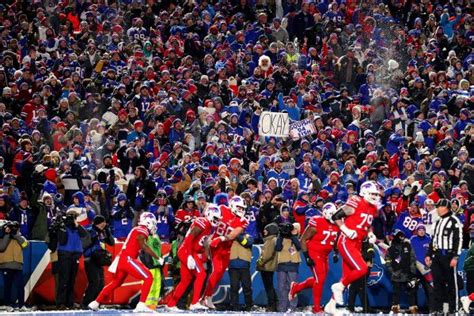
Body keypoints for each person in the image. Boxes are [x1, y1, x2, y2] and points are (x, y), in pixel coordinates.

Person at [325, 180, 380, 314]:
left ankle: (330, 305)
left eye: (376, 194)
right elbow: (336, 216)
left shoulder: (372, 208)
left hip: (357, 243)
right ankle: (339, 288)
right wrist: (346, 230)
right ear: (364, 192)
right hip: (346, 241)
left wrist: (370, 233)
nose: (375, 196)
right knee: (362, 269)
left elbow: (366, 224)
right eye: (373, 194)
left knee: (347, 275)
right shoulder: (356, 201)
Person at [88, 212, 160, 312]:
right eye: (153, 223)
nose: (154, 226)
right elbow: (143, 246)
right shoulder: (142, 229)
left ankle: (95, 303)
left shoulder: (137, 229)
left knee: (116, 282)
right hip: (128, 258)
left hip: (123, 258)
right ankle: (141, 304)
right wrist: (157, 257)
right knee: (148, 277)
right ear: (148, 222)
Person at [166, 204, 222, 310]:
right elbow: (189, 239)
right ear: (209, 214)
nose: (217, 221)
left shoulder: (210, 226)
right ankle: (194, 302)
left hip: (192, 252)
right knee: (201, 275)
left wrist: (205, 255)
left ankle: (171, 304)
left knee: (185, 280)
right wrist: (188, 256)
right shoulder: (202, 222)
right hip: (187, 250)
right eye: (215, 218)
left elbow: (203, 242)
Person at [288, 202, 338, 313]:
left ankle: (296, 287)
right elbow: (303, 240)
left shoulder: (337, 224)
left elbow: (334, 239)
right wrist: (306, 257)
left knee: (319, 280)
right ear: (326, 214)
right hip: (314, 253)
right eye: (333, 214)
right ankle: (316, 308)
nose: (335, 216)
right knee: (319, 280)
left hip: (324, 255)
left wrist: (336, 251)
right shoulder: (317, 222)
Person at [201, 195, 248, 308]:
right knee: (216, 270)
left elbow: (234, 234)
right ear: (232, 204)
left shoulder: (242, 220)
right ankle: (205, 297)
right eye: (239, 207)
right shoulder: (222, 209)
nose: (241, 210)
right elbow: (208, 211)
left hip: (226, 247)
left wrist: (222, 238)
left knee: (220, 273)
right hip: (214, 245)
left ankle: (208, 296)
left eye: (243, 208)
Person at [425, 198, 463, 314]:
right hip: (437, 256)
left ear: (445, 208)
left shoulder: (454, 221)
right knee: (437, 283)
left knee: (452, 284)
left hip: (448, 255)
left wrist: (455, 256)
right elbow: (433, 240)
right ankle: (438, 308)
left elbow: (458, 239)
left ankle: (453, 309)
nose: (437, 209)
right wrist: (429, 255)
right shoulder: (437, 222)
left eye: (439, 207)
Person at [55, 210, 91, 309]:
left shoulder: (77, 227)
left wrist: (76, 224)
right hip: (64, 254)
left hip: (75, 255)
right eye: (71, 217)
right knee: (64, 279)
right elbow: (60, 238)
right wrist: (63, 224)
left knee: (72, 280)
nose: (72, 219)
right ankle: (61, 302)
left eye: (74, 217)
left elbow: (84, 234)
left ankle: (69, 302)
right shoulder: (63, 226)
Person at [82, 215, 115, 307]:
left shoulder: (103, 231)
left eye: (104, 223)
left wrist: (107, 232)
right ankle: (86, 303)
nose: (103, 224)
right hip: (90, 258)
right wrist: (93, 237)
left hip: (99, 259)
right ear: (96, 223)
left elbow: (111, 243)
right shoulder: (89, 230)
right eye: (101, 222)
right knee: (94, 282)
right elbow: (84, 244)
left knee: (100, 283)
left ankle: (95, 303)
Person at [386, 229, 418, 314]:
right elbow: (387, 261)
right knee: (396, 292)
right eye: (400, 235)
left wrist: (412, 272)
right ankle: (395, 308)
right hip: (396, 275)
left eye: (402, 235)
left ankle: (413, 308)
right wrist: (392, 272)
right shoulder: (390, 249)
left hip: (408, 274)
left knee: (411, 292)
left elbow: (413, 259)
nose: (402, 237)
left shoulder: (408, 245)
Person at [0, 221, 28, 309]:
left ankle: (21, 305)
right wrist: (7, 234)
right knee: (7, 286)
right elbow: (2, 247)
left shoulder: (20, 237)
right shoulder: (2, 237)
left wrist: (16, 235)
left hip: (18, 266)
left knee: (20, 286)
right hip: (6, 265)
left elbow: (25, 245)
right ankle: (7, 304)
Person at [275, 221, 301, 312]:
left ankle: (292, 307)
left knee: (292, 287)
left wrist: (292, 236)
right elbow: (277, 248)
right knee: (281, 287)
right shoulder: (280, 238)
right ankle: (282, 307)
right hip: (282, 264)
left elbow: (298, 247)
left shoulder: (296, 238)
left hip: (293, 265)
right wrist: (281, 236)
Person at [347, 236, 375, 313]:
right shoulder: (354, 244)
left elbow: (371, 254)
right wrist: (362, 257)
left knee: (359, 288)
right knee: (354, 288)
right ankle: (356, 308)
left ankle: (354, 308)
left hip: (364, 269)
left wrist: (360, 257)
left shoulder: (368, 245)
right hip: (356, 269)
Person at [256, 223, 279, 312]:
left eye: (266, 230)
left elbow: (266, 255)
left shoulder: (270, 240)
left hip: (266, 267)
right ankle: (275, 304)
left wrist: (259, 263)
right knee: (270, 286)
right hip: (269, 267)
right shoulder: (272, 240)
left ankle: (271, 305)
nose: (264, 232)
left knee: (269, 287)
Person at [228, 232, 254, 311]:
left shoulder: (248, 236)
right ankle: (234, 306)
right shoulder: (230, 237)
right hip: (233, 265)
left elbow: (247, 244)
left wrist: (237, 235)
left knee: (247, 287)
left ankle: (249, 305)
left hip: (244, 266)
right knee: (234, 287)